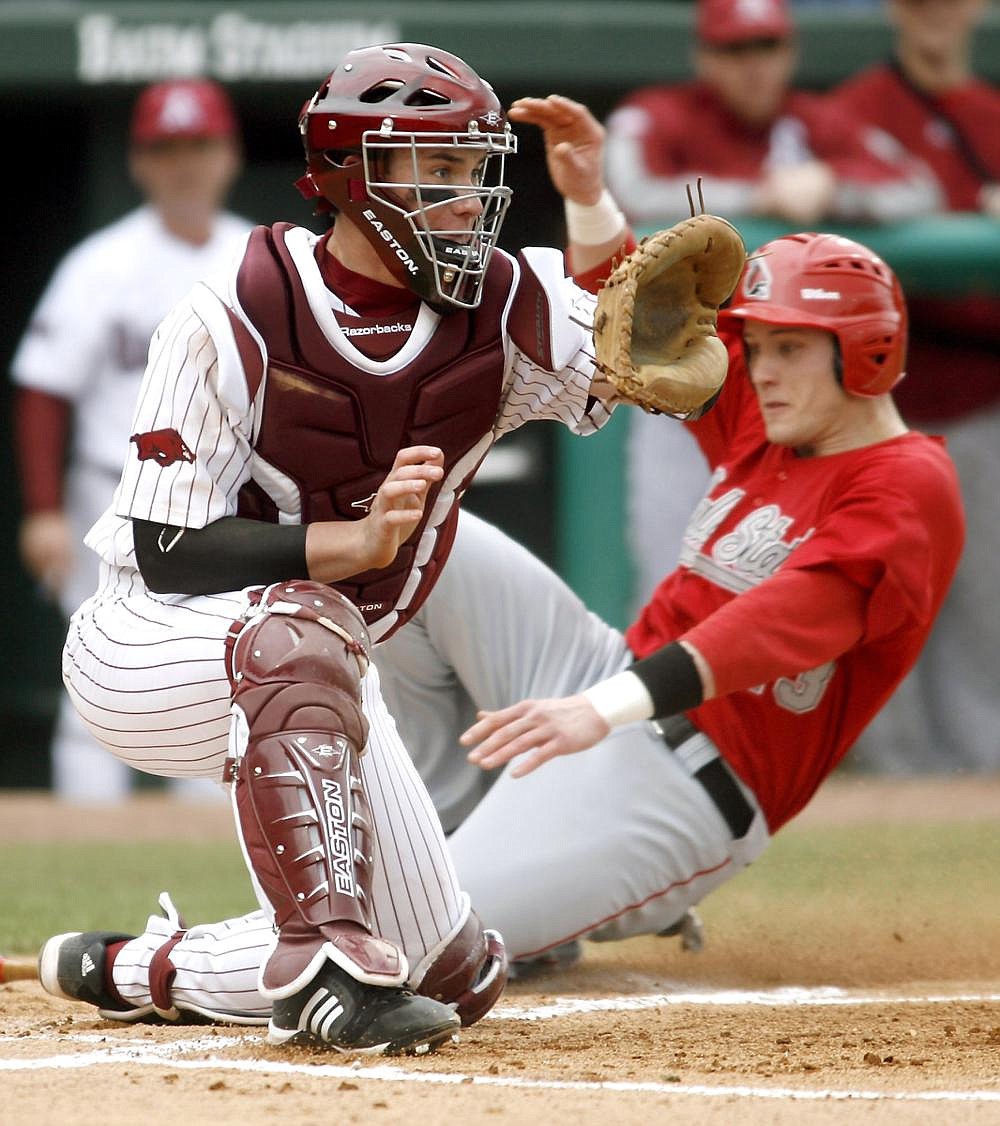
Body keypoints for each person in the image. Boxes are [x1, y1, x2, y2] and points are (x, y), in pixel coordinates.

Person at [34, 46, 671, 1056]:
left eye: (474, 171)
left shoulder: (502, 302)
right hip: (147, 644)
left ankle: (143, 965)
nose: (468, 200)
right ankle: (323, 958)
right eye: (439, 171)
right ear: (353, 176)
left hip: (323, 669)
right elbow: (164, 550)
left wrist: (592, 205)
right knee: (301, 628)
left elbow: (633, 350)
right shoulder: (230, 310)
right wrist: (353, 542)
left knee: (451, 975)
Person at [603, 0, 942, 613]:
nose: (753, 68)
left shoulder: (817, 122)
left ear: (788, 52)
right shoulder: (660, 114)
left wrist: (834, 187)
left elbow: (919, 188)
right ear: (705, 56)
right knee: (672, 577)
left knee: (787, 590)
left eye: (766, 49)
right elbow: (625, 191)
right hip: (681, 380)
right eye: (735, 51)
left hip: (799, 393)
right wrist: (760, 196)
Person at [11, 78, 253, 803]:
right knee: (96, 674)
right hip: (109, 493)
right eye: (166, 148)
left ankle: (207, 866)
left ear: (230, 154)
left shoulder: (259, 257)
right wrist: (44, 508)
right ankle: (81, 860)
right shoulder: (99, 265)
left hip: (220, 495)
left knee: (215, 677)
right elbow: (43, 388)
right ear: (139, 163)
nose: (184, 164)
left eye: (199, 144)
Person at [830, 0, 1000, 773]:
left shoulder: (990, 115)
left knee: (983, 619)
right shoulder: (857, 110)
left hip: (980, 395)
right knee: (885, 612)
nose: (937, 15)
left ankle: (976, 798)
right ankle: (890, 796)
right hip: (881, 407)